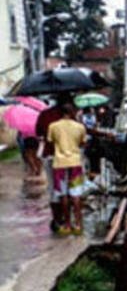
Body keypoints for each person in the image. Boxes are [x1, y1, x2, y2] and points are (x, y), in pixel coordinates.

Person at [46, 101, 87, 236]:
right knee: (76, 195)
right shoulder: (80, 127)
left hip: (59, 164)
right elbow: (82, 143)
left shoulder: (53, 126)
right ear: (72, 113)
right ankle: (78, 224)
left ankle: (68, 224)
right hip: (75, 163)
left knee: (63, 195)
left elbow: (50, 142)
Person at [35, 95, 67, 231]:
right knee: (65, 187)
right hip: (66, 156)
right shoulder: (69, 115)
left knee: (54, 188)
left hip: (49, 155)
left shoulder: (45, 114)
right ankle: (65, 218)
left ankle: (57, 219)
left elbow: (38, 132)